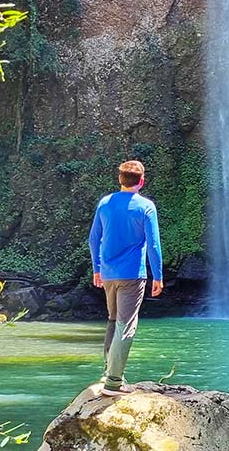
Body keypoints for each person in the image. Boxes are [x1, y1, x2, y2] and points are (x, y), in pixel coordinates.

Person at [88, 159, 164, 395]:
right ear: (141, 181)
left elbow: (93, 239)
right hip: (132, 274)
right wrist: (158, 276)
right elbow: (153, 244)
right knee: (126, 325)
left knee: (113, 320)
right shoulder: (146, 207)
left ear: (120, 179)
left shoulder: (105, 203)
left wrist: (97, 269)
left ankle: (107, 372)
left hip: (108, 274)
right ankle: (113, 382)